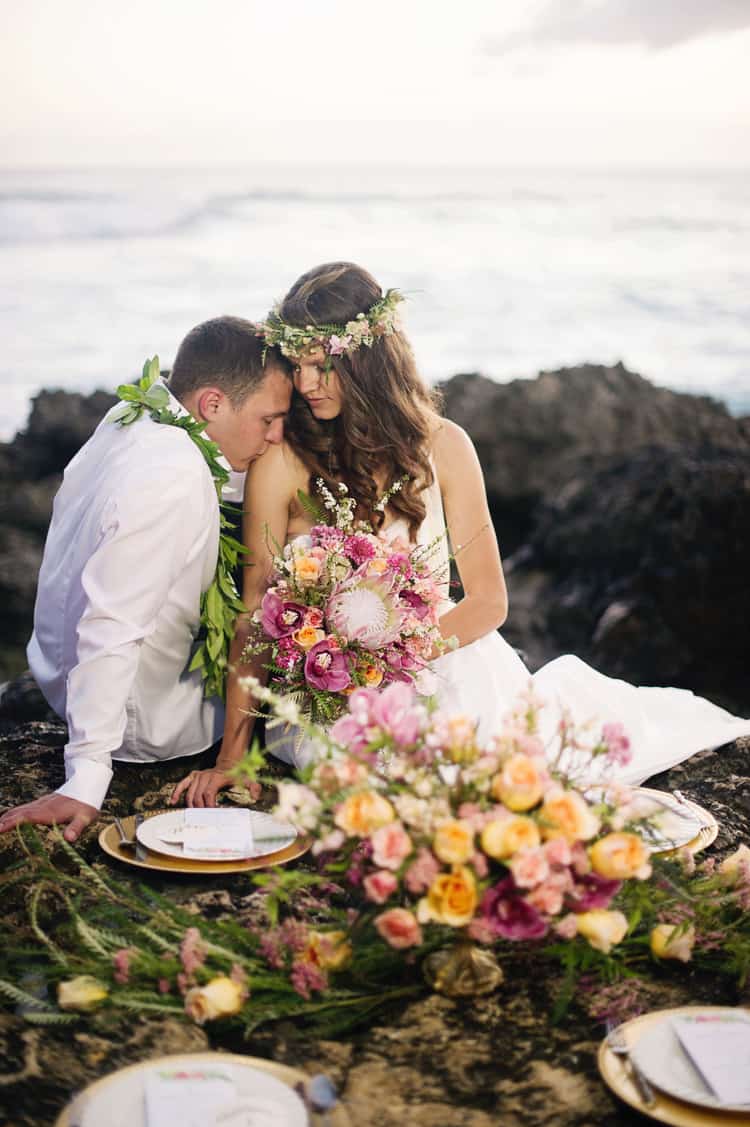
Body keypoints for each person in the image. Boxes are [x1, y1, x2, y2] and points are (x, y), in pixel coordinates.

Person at [173, 263, 750, 806]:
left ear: (367, 358)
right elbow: (254, 615)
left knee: (498, 772)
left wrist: (392, 663)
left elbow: (489, 601)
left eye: (321, 364)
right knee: (386, 779)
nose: (305, 383)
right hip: (327, 700)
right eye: (296, 366)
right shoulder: (284, 461)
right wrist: (232, 759)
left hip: (446, 665)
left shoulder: (446, 445)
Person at [0, 316, 291, 842]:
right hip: (152, 725)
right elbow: (111, 622)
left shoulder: (135, 417)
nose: (275, 437)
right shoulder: (171, 476)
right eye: (269, 418)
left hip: (62, 679)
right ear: (212, 404)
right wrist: (86, 776)